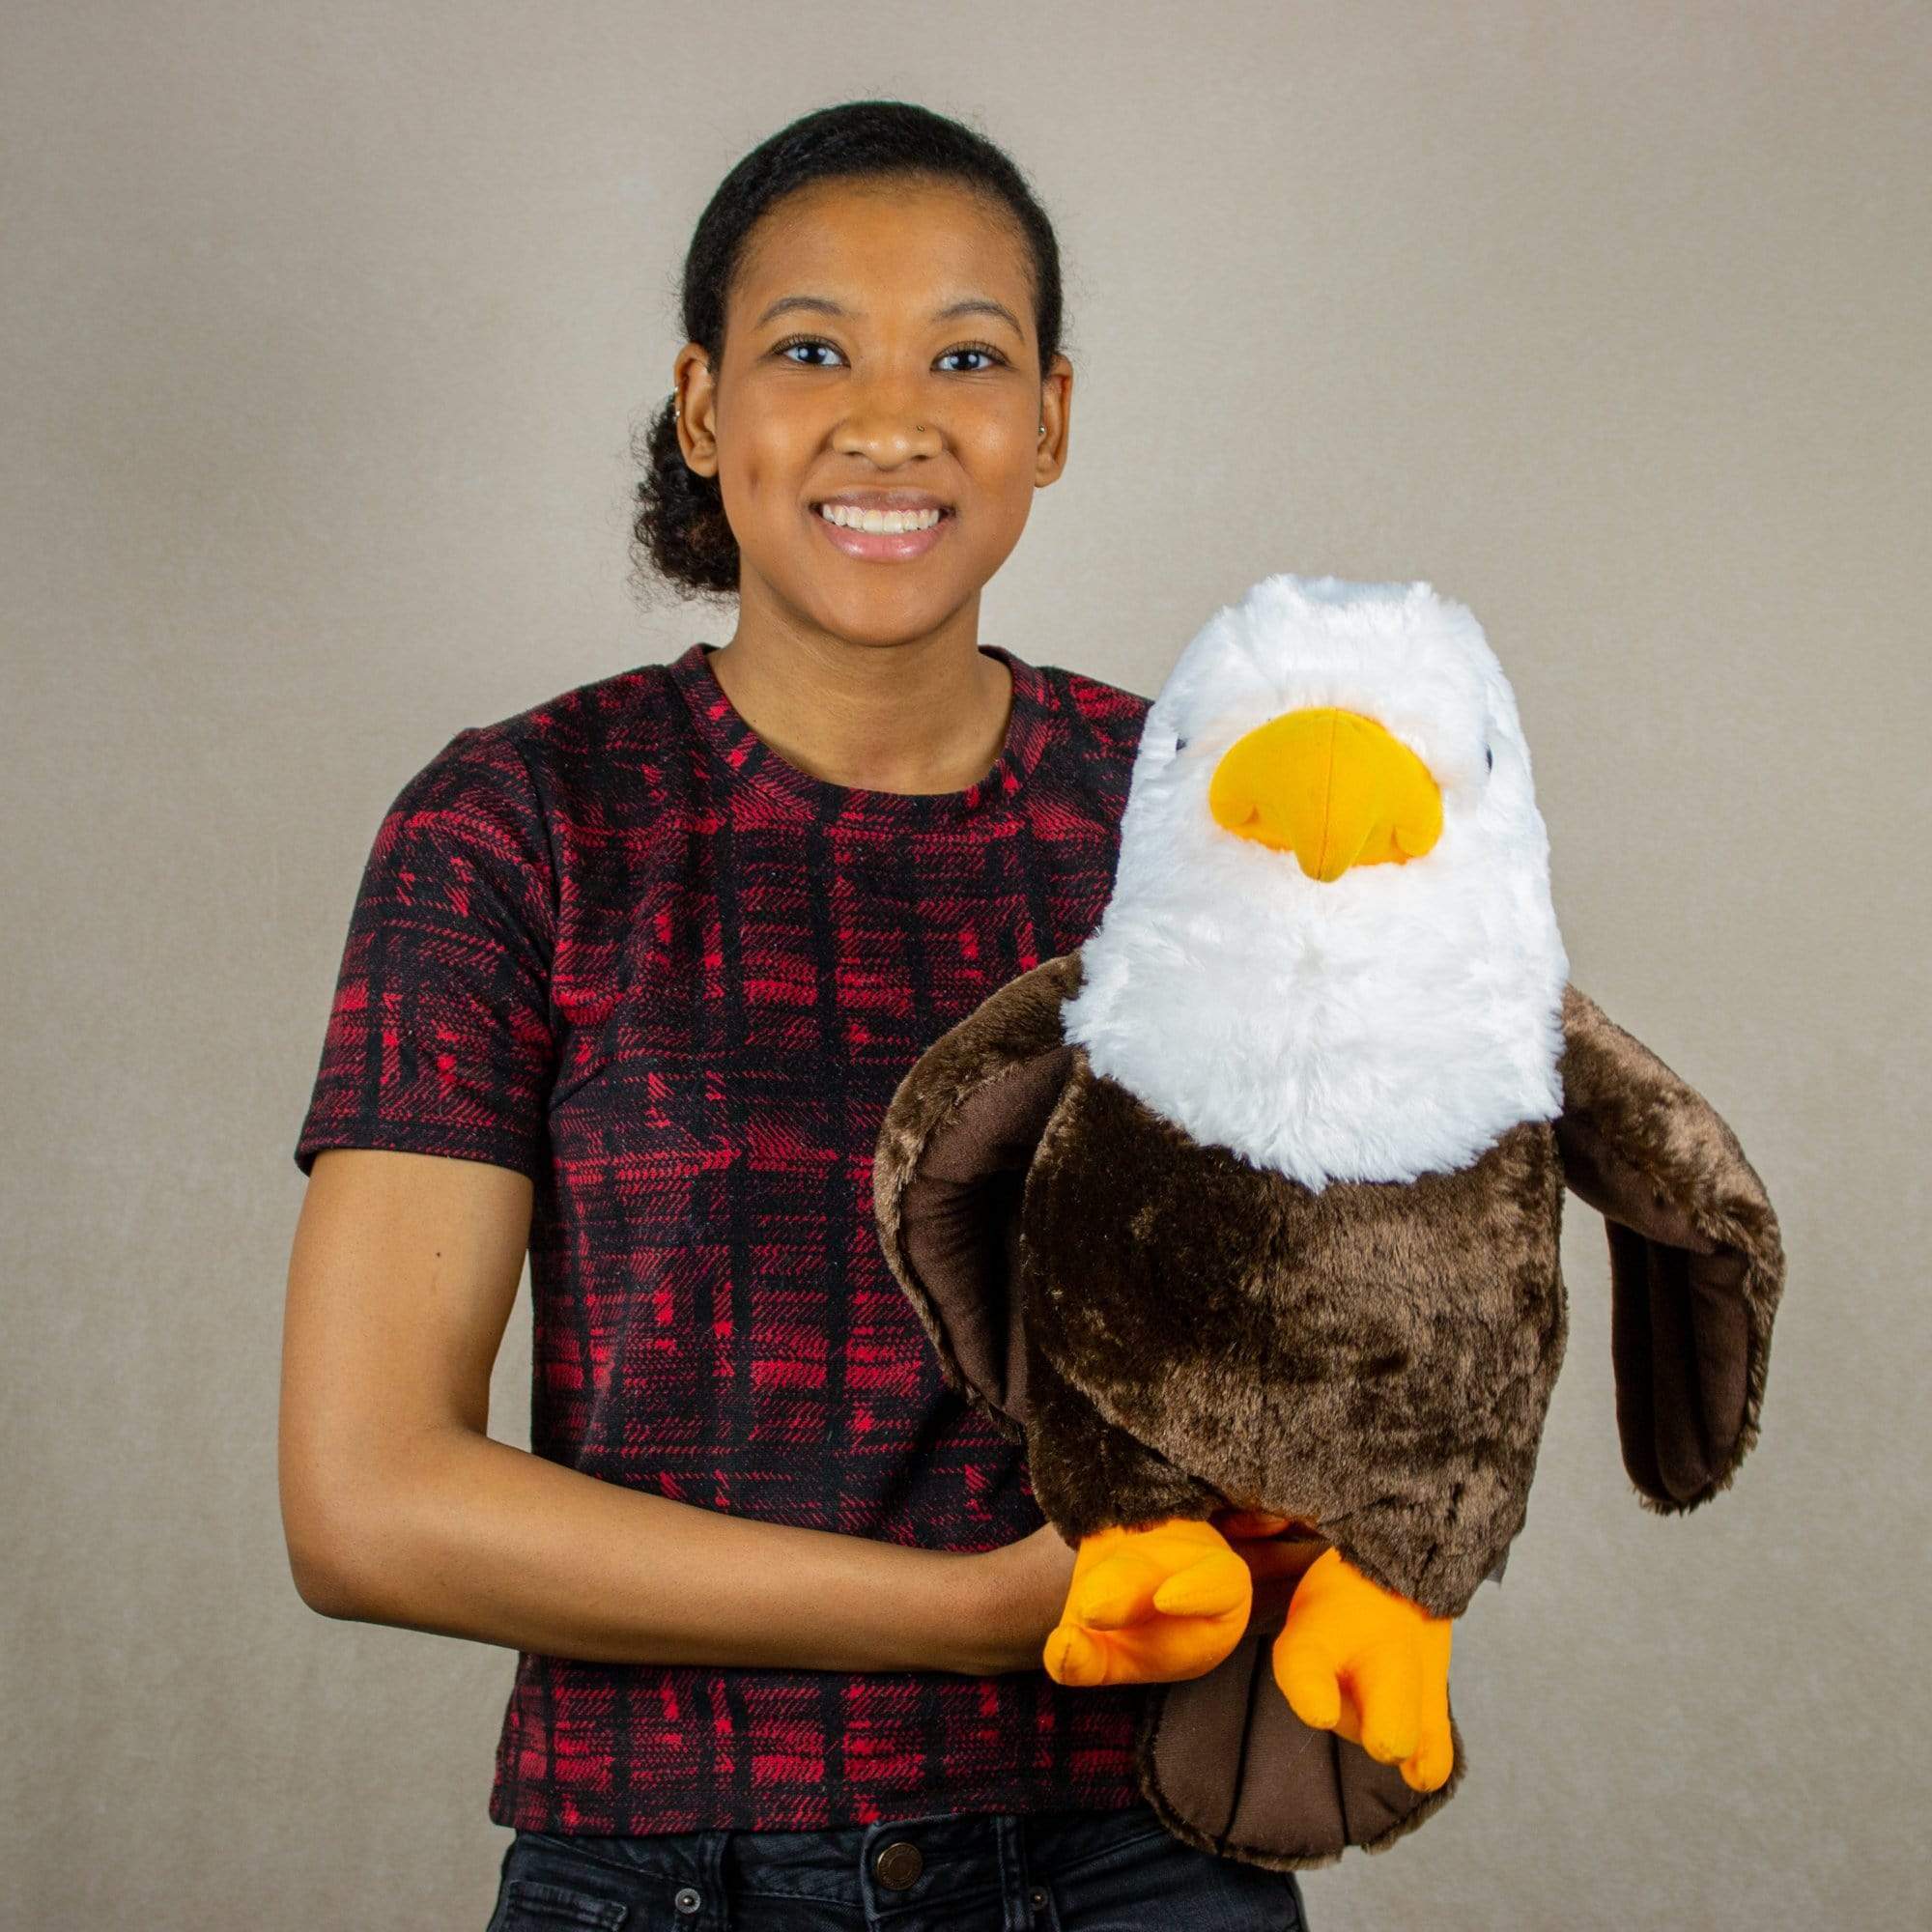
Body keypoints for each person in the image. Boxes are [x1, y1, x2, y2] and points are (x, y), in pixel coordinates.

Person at [279, 98, 1310, 1930]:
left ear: (1052, 418)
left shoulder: (1198, 822)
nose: (892, 419)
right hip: (679, 1873)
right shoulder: (515, 827)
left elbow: (1334, 1321)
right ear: (702, 406)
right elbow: (366, 1500)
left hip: (1140, 1861)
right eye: (811, 348)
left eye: (968, 356)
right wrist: (973, 1610)